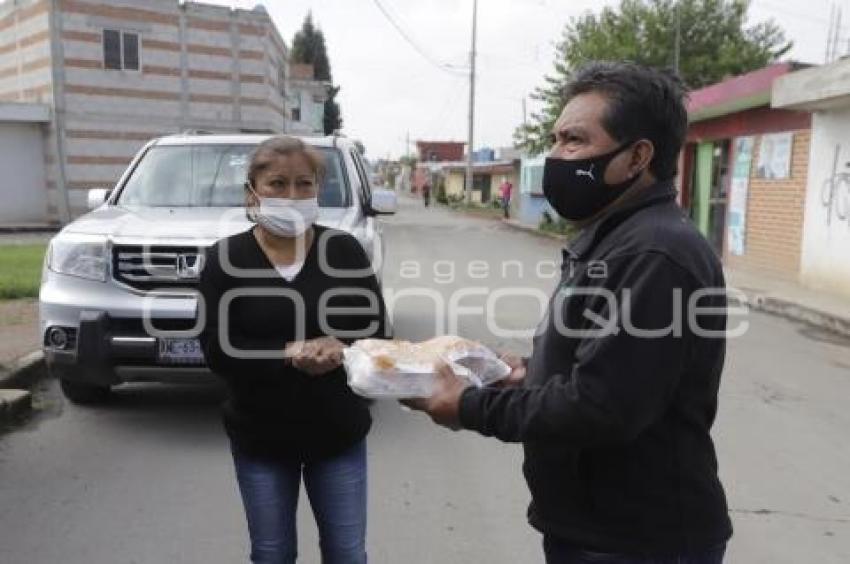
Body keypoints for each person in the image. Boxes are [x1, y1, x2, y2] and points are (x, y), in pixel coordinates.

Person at [406, 62, 732, 563]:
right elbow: (604, 363)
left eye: (574, 140)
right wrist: (523, 373)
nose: (556, 155)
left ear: (636, 157)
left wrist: (468, 405)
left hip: (638, 542)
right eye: (555, 139)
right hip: (594, 528)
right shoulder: (617, 236)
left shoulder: (654, 253)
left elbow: (604, 406)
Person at [199, 136, 389, 564]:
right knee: (271, 554)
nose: (292, 195)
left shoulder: (343, 250)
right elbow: (216, 349)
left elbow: (376, 330)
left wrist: (339, 348)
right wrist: (288, 352)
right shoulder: (224, 258)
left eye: (305, 184)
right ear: (252, 191)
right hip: (260, 436)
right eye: (278, 183)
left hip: (337, 432)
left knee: (346, 553)